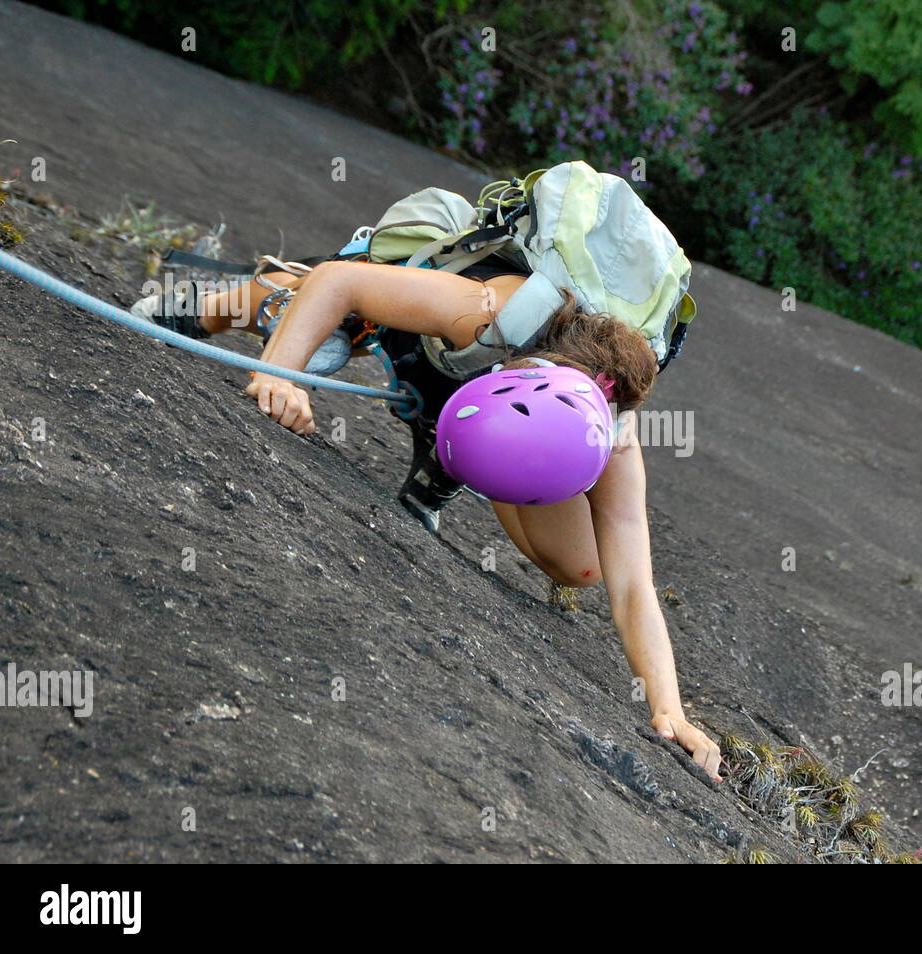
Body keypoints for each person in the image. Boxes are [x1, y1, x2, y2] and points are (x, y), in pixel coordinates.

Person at [132, 255, 723, 781]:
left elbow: (632, 586)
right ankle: (244, 296)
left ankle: (449, 455)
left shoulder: (613, 439)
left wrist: (668, 707)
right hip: (418, 333)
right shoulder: (487, 312)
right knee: (329, 316)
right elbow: (342, 282)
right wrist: (277, 376)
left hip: (488, 397)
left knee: (583, 566)